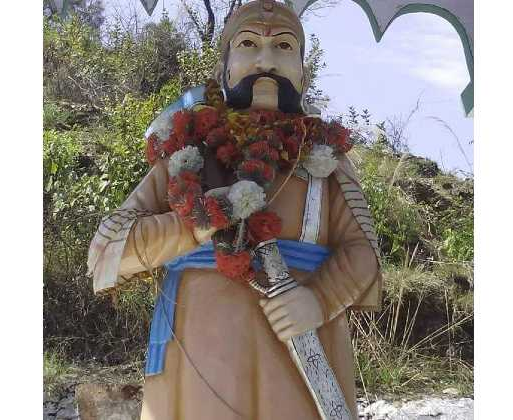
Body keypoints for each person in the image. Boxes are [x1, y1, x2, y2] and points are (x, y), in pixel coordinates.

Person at [87, 1, 383, 418]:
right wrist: (194, 225)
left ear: (303, 69)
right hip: (198, 361)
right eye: (248, 44)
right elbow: (108, 251)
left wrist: (318, 300)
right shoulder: (184, 148)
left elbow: (363, 254)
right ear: (224, 67)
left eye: (284, 47)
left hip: (302, 355)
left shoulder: (324, 158)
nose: (267, 60)